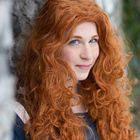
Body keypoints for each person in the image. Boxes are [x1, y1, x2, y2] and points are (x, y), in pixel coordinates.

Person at [13, 0, 137, 140]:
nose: (88, 55)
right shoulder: (22, 116)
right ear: (50, 47)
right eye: (75, 42)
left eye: (93, 41)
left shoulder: (104, 100)